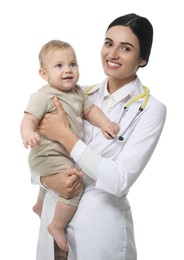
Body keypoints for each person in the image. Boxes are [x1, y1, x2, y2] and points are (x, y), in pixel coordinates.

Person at [32, 13, 167, 260]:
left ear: (143, 59)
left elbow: (119, 181)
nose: (112, 54)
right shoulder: (76, 93)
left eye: (126, 48)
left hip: (98, 234)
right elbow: (40, 151)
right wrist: (46, 180)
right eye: (108, 43)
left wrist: (65, 135)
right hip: (53, 227)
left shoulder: (151, 110)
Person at [20, 40, 119, 252]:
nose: (68, 70)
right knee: (74, 183)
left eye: (72, 64)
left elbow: (90, 111)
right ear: (44, 74)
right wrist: (28, 133)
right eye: (59, 66)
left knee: (65, 170)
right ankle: (57, 225)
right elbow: (28, 118)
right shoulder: (43, 96)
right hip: (46, 154)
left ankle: (39, 205)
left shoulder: (77, 93)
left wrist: (105, 124)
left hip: (62, 154)